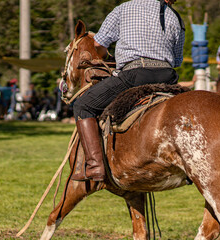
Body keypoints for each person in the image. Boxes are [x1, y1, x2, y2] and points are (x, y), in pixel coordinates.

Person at [71, 0, 185, 181]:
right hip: (168, 77)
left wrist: (105, 57)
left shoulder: (124, 8)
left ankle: (95, 166)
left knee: (83, 105)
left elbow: (99, 44)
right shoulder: (176, 18)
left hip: (135, 74)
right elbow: (177, 60)